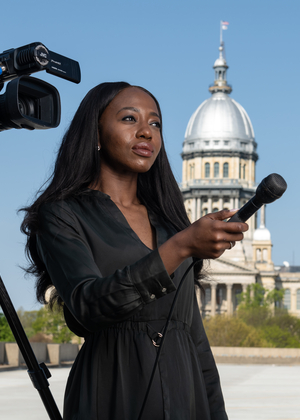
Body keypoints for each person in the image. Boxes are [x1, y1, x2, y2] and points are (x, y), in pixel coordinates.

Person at [21, 82, 248, 420]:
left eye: (155, 124)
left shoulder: (170, 222)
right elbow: (89, 305)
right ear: (95, 133)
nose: (146, 132)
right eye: (130, 119)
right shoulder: (62, 214)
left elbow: (195, 338)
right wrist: (182, 246)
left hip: (186, 398)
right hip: (111, 393)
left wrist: (217, 414)